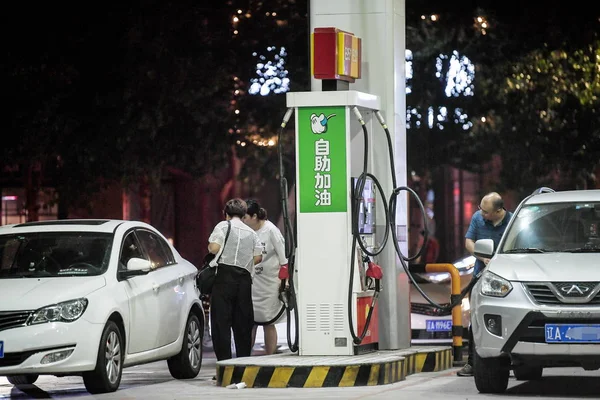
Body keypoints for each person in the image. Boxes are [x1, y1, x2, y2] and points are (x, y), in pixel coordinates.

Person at [457, 192, 513, 377]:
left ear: (499, 210)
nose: (481, 213)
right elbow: (469, 242)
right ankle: (473, 363)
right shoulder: (477, 218)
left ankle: (514, 360)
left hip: (507, 281)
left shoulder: (512, 222)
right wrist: (482, 257)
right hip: (481, 277)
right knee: (476, 321)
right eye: (480, 209)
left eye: (486, 211)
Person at [208, 198, 263, 362]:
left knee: (221, 324)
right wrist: (243, 262)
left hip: (224, 278)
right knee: (243, 324)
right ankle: (242, 363)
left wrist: (211, 248)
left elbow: (215, 248)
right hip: (244, 281)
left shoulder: (222, 226)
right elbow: (258, 257)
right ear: (244, 214)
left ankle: (225, 364)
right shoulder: (251, 232)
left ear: (226, 214)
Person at [242, 199, 288, 355]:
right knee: (249, 322)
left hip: (269, 284)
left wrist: (284, 281)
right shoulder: (245, 231)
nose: (243, 220)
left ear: (254, 216)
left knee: (268, 321)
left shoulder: (271, 231)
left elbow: (284, 259)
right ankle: (245, 356)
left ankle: (270, 356)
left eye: (245, 217)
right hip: (252, 283)